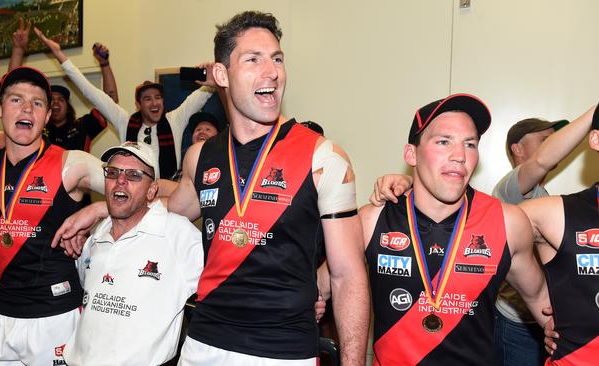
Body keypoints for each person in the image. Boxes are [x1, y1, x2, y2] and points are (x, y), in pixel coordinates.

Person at [53, 11, 369, 366]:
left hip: (282, 350)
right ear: (221, 74)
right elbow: (165, 209)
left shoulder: (323, 158)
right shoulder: (200, 157)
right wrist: (102, 209)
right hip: (204, 345)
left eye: (277, 58)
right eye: (254, 59)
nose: (272, 71)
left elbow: (348, 276)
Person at [358, 94, 551, 365]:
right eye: (443, 141)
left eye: (469, 144)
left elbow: (541, 300)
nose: (460, 156)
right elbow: (322, 285)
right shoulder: (371, 220)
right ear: (411, 154)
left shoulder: (507, 223)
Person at [0, 66, 106, 365]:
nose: (27, 109)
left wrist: (97, 209)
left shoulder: (73, 164)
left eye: (38, 103)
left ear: (46, 116)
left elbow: (140, 188)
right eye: (16, 100)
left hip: (53, 314)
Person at [63, 141, 203, 366]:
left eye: (134, 175)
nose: (121, 180)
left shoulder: (177, 233)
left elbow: (225, 285)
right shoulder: (95, 236)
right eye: (113, 172)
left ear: (151, 190)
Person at [34, 28, 218, 179]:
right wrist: (59, 54)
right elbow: (90, 91)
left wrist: (215, 73)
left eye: (158, 97)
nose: (154, 102)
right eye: (147, 98)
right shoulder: (125, 121)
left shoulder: (175, 119)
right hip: (134, 197)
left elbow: (203, 94)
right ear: (138, 104)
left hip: (169, 198)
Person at [492, 108, 596, 365]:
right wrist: (595, 112)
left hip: (550, 319)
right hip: (517, 321)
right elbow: (540, 161)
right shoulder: (511, 187)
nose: (555, 145)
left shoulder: (544, 195)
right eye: (545, 140)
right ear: (517, 148)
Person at [8, 19, 113, 152]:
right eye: (52, 100)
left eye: (61, 99)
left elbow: (109, 103)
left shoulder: (82, 126)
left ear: (68, 107)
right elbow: (11, 91)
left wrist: (105, 64)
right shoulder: (36, 127)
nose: (56, 102)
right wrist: (17, 50)